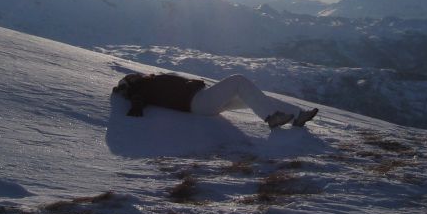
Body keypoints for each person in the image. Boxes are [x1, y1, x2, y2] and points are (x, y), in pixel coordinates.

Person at [112, 72, 318, 128]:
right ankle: (271, 118)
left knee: (254, 96)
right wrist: (135, 104)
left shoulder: (151, 82)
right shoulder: (143, 89)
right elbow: (138, 99)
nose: (136, 76)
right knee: (238, 80)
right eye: (132, 78)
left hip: (203, 102)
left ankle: (297, 116)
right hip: (199, 102)